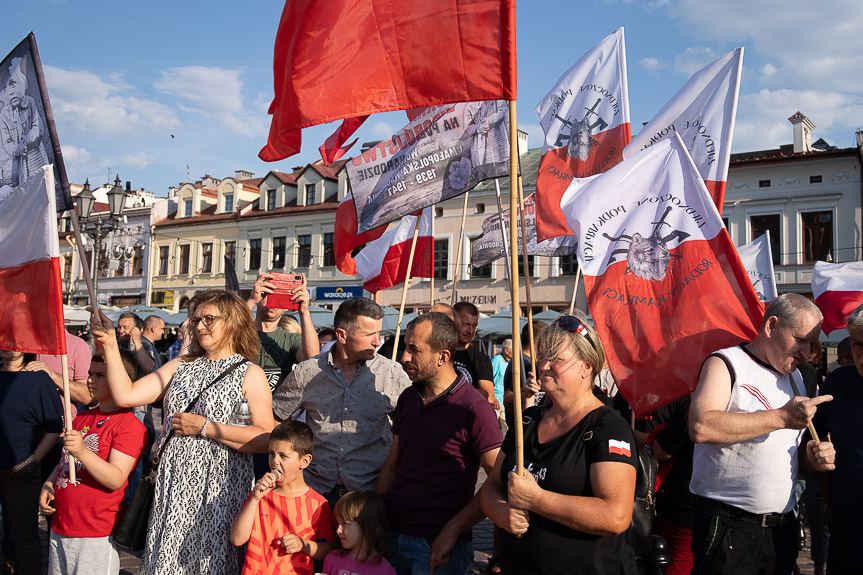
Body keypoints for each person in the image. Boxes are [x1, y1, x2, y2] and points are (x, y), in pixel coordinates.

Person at [90, 289, 274, 575]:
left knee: (209, 563)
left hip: (219, 489)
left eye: (208, 319)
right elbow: (126, 395)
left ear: (233, 321)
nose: (199, 326)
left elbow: (265, 437)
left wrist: (206, 427)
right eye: (195, 319)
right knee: (167, 561)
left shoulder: (250, 372)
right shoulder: (181, 365)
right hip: (174, 483)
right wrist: (111, 344)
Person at [689, 293, 837, 575]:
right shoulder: (726, 363)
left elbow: (791, 456)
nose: (807, 352)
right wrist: (781, 417)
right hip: (729, 526)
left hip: (781, 527)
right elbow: (701, 426)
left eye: (812, 343)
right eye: (801, 340)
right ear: (771, 326)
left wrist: (813, 459)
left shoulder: (802, 376)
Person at [480, 314, 639, 574]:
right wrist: (501, 512)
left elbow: (616, 515)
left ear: (586, 367)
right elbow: (492, 486)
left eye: (556, 358)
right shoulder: (528, 421)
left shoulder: (608, 427)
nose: (543, 366)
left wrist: (536, 499)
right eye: (543, 357)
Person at [377, 312, 501, 575]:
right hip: (393, 538)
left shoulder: (474, 409)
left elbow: (497, 480)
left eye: (414, 350)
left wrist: (453, 529)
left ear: (442, 357)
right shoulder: (409, 398)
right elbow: (392, 464)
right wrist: (375, 521)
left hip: (438, 547)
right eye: (404, 347)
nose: (403, 358)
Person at [273, 297, 411, 506]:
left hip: (370, 496)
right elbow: (274, 420)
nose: (377, 341)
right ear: (341, 335)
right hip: (314, 493)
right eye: (369, 334)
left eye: (379, 333)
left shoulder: (391, 373)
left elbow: (413, 427)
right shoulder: (307, 372)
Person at [39, 349, 147, 575]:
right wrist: (49, 483)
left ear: (121, 379)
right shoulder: (82, 416)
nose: (90, 380)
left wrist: (82, 451)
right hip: (62, 524)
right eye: (90, 373)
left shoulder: (129, 425)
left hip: (95, 531)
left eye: (100, 375)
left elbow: (116, 478)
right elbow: (65, 461)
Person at [231, 420, 336, 575]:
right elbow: (236, 539)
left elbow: (329, 550)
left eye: (283, 456)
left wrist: (303, 545)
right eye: (271, 454)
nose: (274, 461)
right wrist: (254, 499)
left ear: (304, 461)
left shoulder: (318, 504)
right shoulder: (260, 496)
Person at [0, 349, 64, 575]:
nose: (7, 346)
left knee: (24, 536)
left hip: (21, 469)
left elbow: (55, 428)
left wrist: (32, 461)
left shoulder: (37, 379)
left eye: (14, 342)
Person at [813, 303, 863, 574]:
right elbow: (813, 447)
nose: (862, 355)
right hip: (847, 534)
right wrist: (828, 496)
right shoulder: (837, 383)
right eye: (857, 344)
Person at [246, 271, 318, 391]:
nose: (273, 300)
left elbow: (312, 358)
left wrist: (304, 312)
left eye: (280, 296)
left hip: (276, 407)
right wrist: (252, 300)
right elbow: (224, 335)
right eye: (268, 293)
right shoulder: (243, 333)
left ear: (286, 306)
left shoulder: (290, 338)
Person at [0, 57, 48, 189]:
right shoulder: (4, 114)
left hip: (36, 157)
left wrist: (28, 140)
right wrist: (18, 149)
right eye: (4, 88)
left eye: (12, 84)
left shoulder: (30, 102)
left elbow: (38, 126)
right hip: (19, 164)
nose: (10, 92)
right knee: (22, 191)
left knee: (41, 188)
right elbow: (6, 142)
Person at [324, 491, 396, 575]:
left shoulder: (385, 571)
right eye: (338, 524)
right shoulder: (332, 559)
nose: (338, 530)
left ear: (366, 525)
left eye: (345, 523)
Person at [452, 302, 496, 405]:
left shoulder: (482, 359)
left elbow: (489, 397)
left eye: (474, 325)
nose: (470, 331)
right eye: (465, 324)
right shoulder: (440, 352)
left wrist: (452, 388)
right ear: (454, 322)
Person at [490, 339, 512, 408]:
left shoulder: (511, 363)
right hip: (496, 402)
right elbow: (488, 380)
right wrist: (493, 398)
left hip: (504, 402)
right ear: (507, 351)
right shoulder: (497, 360)